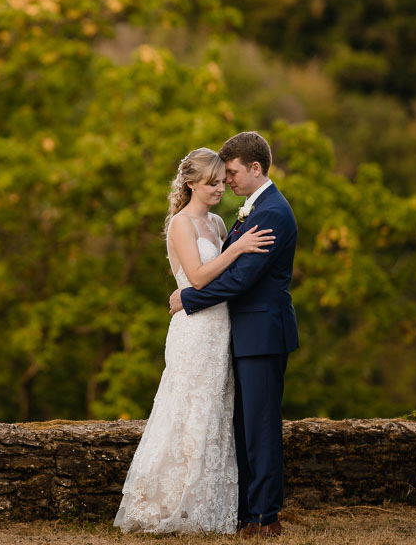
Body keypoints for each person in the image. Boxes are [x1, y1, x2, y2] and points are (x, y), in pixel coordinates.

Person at [114, 147, 275, 534]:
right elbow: (199, 278)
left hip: (220, 328)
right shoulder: (181, 224)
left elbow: (227, 278)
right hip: (193, 329)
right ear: (191, 184)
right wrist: (238, 248)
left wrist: (235, 248)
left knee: (214, 413)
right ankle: (169, 503)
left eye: (222, 181)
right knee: (186, 410)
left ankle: (206, 506)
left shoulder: (218, 223)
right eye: (212, 183)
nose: (221, 188)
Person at [169, 132, 299, 539]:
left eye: (232, 173)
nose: (227, 182)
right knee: (242, 427)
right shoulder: (252, 210)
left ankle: (265, 517)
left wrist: (188, 298)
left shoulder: (272, 212)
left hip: (262, 333)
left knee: (260, 427)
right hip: (240, 334)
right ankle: (246, 512)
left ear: (255, 168)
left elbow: (241, 280)